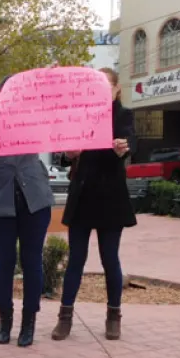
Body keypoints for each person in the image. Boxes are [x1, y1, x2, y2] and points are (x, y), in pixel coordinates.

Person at [52, 67, 136, 341]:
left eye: (105, 86)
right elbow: (63, 154)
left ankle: (114, 315)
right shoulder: (80, 114)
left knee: (110, 259)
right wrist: (68, 153)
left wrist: (123, 148)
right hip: (83, 195)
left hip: (111, 197)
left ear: (116, 89)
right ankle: (65, 317)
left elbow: (130, 141)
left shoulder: (123, 115)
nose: (99, 91)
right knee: (76, 258)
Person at [0, 76, 55, 347]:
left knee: (32, 261)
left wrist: (50, 79)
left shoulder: (36, 119)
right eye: (5, 94)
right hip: (0, 203)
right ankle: (5, 320)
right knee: (4, 263)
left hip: (35, 199)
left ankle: (29, 321)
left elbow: (57, 119)